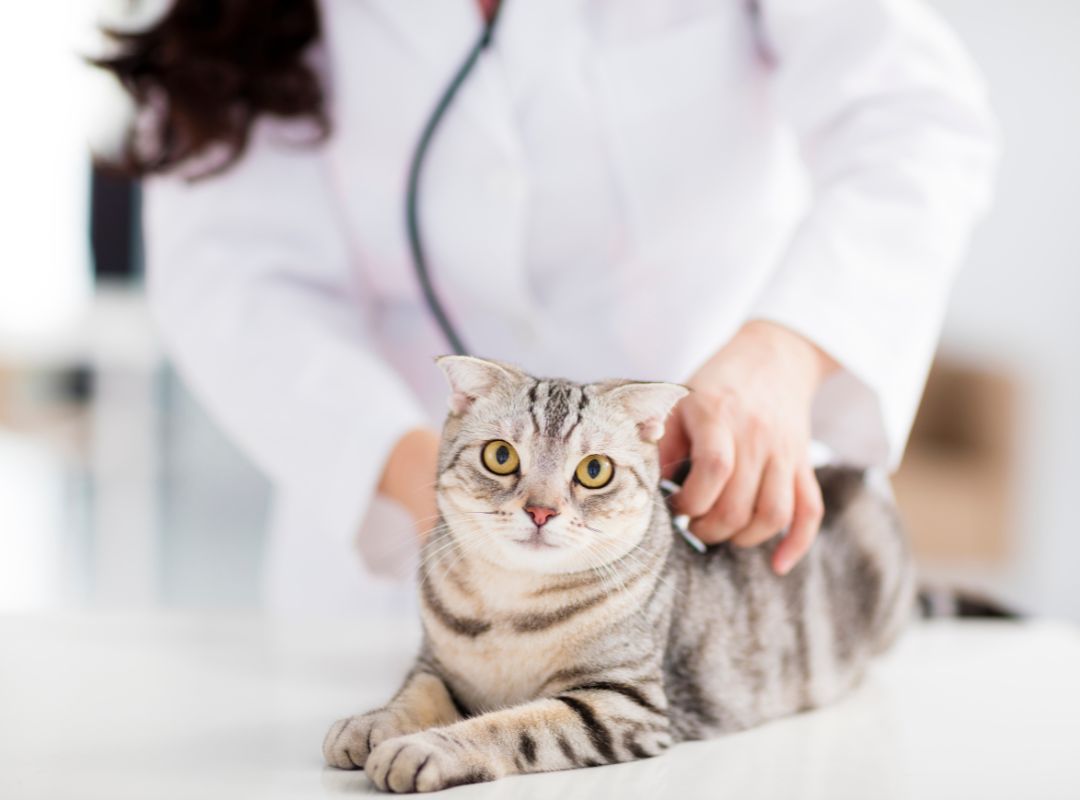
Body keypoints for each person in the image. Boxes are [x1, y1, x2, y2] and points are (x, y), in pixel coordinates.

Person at [98, 0, 996, 614]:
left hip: (714, 523)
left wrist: (786, 351)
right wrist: (439, 496)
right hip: (394, 572)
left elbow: (915, 121)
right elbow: (234, 278)